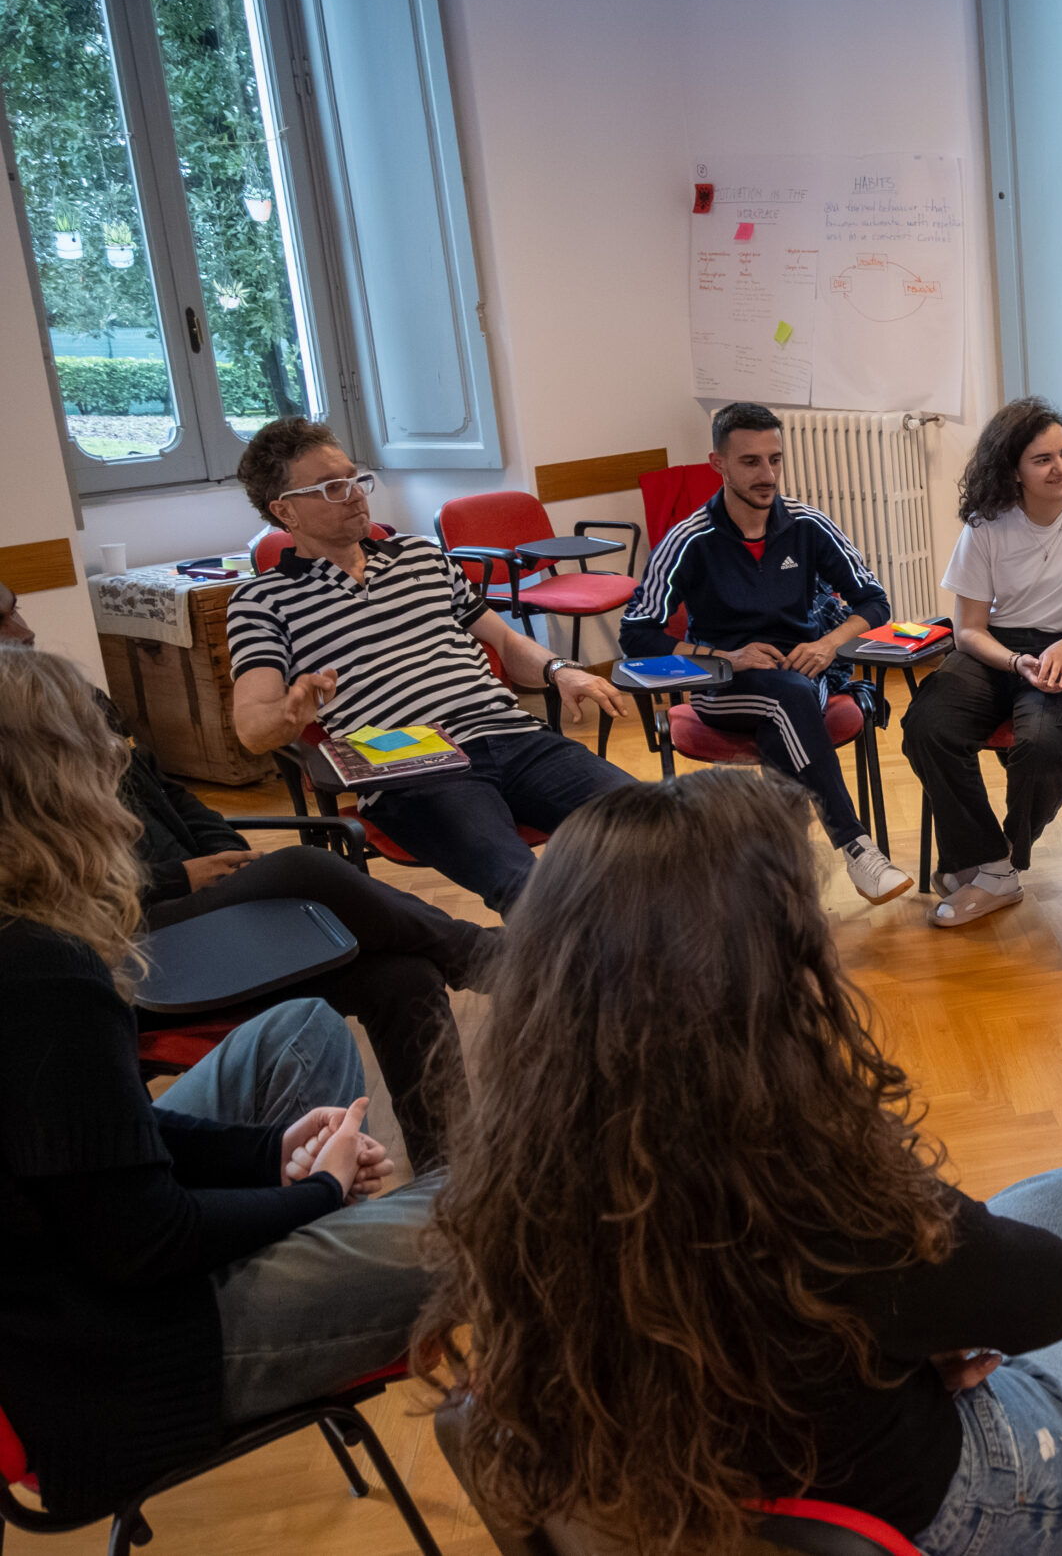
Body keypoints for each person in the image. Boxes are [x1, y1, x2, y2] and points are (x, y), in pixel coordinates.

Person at [415, 770, 1062, 1555]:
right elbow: (1045, 1298)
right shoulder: (795, 1172)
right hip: (975, 1512)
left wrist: (911, 1324)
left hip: (720, 1491)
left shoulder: (530, 1161)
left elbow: (863, 1297)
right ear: (759, 978)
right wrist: (928, 1323)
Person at [0, 645, 438, 1524]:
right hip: (125, 1355)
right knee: (504, 1201)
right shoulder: (41, 975)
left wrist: (265, 1155)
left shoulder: (26, 951)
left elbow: (92, 1143)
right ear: (54, 783)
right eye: (97, 747)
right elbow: (146, 1240)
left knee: (301, 1028)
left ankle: (316, 1253)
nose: (117, 763)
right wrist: (315, 1193)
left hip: (83, 1281)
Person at [0, 582, 486, 1170]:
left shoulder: (75, 701)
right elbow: (43, 895)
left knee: (405, 976)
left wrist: (224, 855)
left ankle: (453, 1174)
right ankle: (481, 955)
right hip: (128, 950)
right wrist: (182, 876)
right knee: (304, 864)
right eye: (1, 622)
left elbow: (172, 793)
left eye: (17, 610)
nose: (23, 630)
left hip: (200, 918)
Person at [225, 419, 633, 914]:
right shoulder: (260, 601)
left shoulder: (422, 556)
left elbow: (506, 641)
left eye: (355, 479)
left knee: (659, 829)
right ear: (284, 510)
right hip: (411, 766)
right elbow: (252, 729)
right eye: (332, 488)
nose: (355, 495)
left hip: (512, 734)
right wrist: (289, 713)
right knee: (526, 887)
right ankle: (580, 964)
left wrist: (560, 669)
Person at [621, 401, 912, 903]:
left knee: (788, 707)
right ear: (718, 464)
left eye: (775, 459)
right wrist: (723, 657)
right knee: (789, 700)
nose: (768, 474)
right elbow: (636, 634)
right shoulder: (688, 539)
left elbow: (874, 601)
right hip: (721, 685)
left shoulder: (807, 524)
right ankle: (856, 847)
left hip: (803, 675)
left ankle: (780, 880)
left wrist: (827, 644)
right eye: (751, 462)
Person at [901, 398, 1062, 927]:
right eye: (1042, 460)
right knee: (927, 726)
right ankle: (990, 864)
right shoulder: (987, 522)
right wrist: (1016, 661)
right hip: (1001, 649)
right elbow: (968, 630)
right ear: (1012, 470)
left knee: (1044, 746)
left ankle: (996, 865)